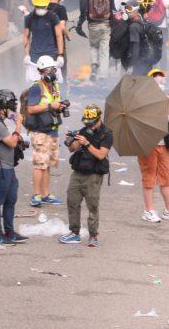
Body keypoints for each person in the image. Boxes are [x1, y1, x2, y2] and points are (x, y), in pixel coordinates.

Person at [138, 68, 169, 224]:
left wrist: (165, 116)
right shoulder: (142, 100)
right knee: (149, 178)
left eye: (161, 76)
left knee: (166, 177)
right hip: (148, 144)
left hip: (163, 144)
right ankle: (149, 211)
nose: (159, 79)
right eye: (155, 76)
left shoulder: (165, 98)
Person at [59, 104, 112, 246]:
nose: (89, 125)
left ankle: (93, 235)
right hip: (78, 172)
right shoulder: (84, 130)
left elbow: (101, 155)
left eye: (92, 123)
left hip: (94, 175)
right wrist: (73, 139)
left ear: (98, 119)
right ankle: (74, 233)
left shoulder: (107, 134)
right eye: (87, 122)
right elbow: (72, 149)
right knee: (72, 202)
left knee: (92, 206)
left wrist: (87, 143)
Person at [0, 89, 27, 245]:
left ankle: (10, 232)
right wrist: (18, 124)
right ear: (4, 106)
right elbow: (12, 142)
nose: (14, 108)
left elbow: (12, 141)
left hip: (8, 168)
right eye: (12, 105)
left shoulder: (1, 123)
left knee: (10, 200)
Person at [22, 56, 67, 207]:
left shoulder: (54, 86)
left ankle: (46, 194)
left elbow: (55, 104)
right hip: (40, 131)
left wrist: (60, 106)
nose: (52, 72)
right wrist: (50, 106)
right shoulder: (36, 87)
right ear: (41, 71)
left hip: (53, 129)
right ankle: (36, 195)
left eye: (53, 69)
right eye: (49, 70)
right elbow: (31, 108)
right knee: (39, 164)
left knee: (47, 164)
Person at [75, 0, 115, 80]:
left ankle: (94, 67)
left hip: (93, 24)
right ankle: (103, 76)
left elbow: (83, 10)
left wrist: (79, 25)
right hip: (106, 24)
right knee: (104, 50)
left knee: (94, 46)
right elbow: (112, 8)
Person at [22, 0, 64, 83]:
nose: (40, 8)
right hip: (35, 56)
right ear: (34, 5)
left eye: (42, 6)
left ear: (47, 5)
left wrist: (60, 55)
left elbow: (59, 36)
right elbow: (26, 37)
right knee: (36, 83)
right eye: (38, 6)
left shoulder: (53, 17)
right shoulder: (29, 18)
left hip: (51, 54)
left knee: (53, 82)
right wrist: (27, 55)